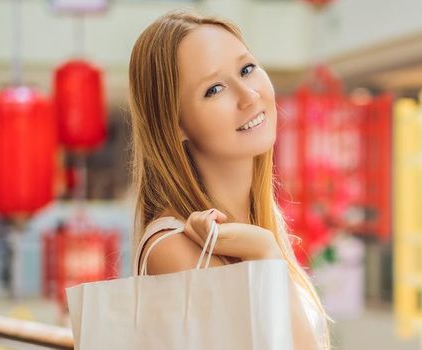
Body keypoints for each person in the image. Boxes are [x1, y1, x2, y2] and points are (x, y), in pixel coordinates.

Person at [126, 10, 329, 348]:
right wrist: (265, 254)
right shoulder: (175, 249)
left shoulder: (254, 223)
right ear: (174, 124)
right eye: (214, 89)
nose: (249, 95)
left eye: (247, 69)